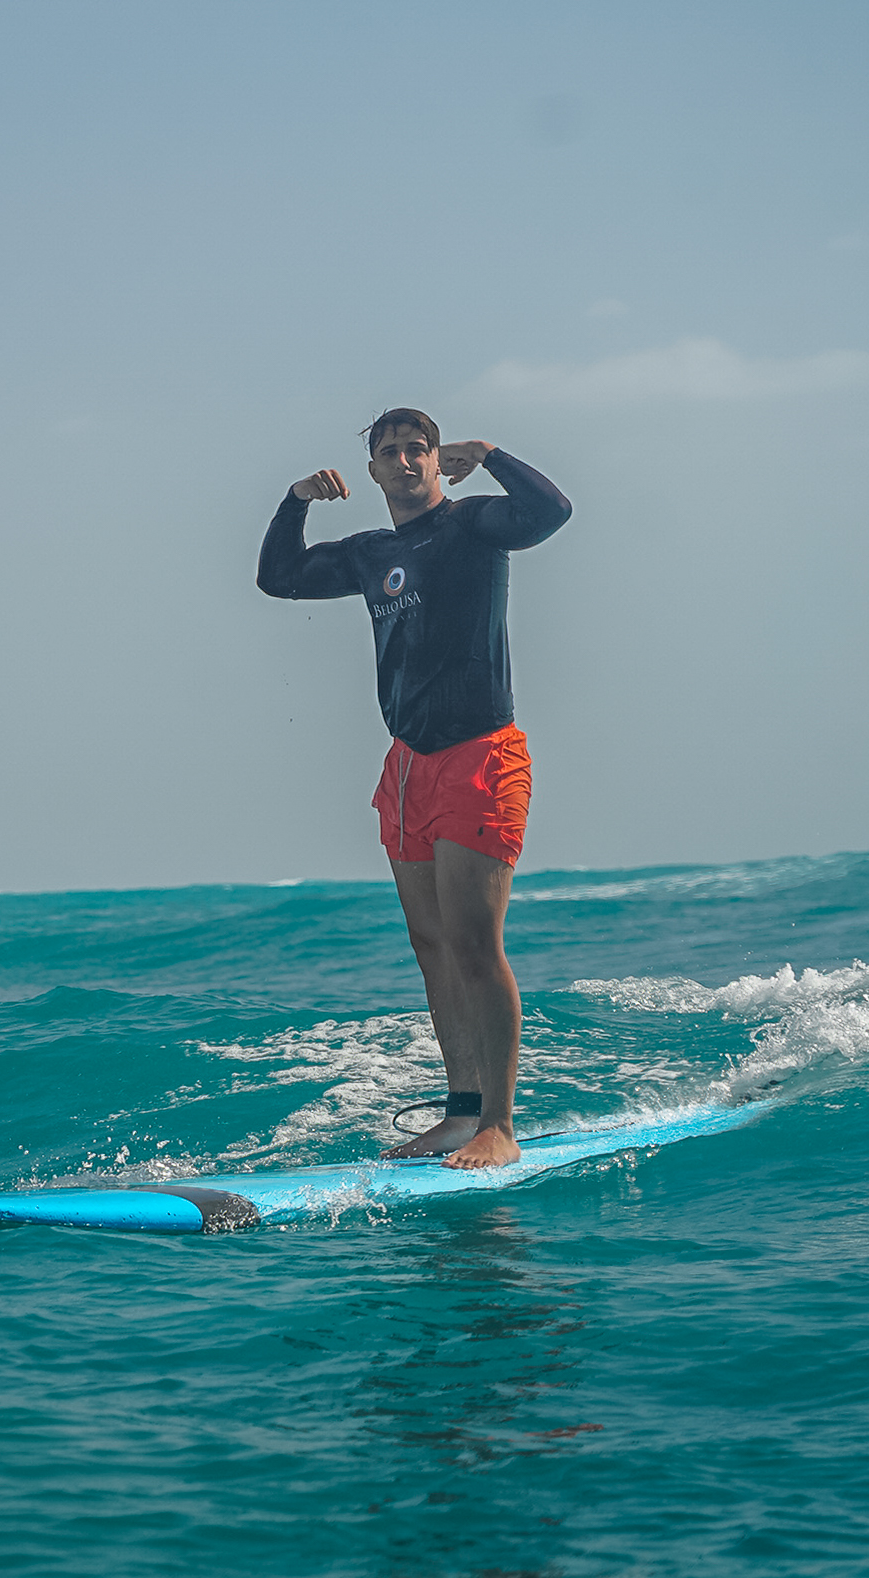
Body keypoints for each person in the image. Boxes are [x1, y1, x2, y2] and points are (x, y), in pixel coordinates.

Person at [256, 408, 572, 1169]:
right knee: (431, 944)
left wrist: (491, 454)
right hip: (406, 766)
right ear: (372, 471)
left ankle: (501, 1123)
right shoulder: (371, 553)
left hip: (479, 753)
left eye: (417, 449)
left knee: (472, 942)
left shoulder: (473, 526)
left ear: (437, 461)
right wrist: (295, 498)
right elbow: (277, 578)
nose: (404, 460)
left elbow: (551, 512)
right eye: (390, 452)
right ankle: (462, 1112)